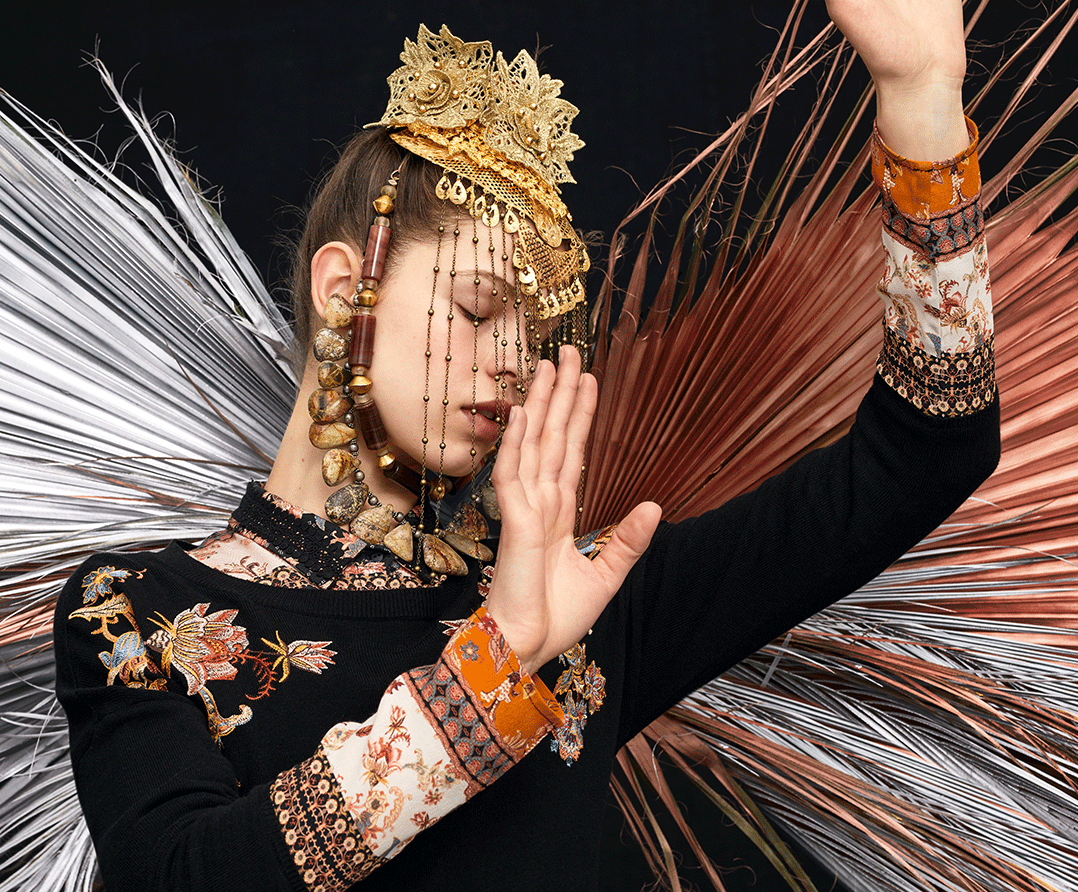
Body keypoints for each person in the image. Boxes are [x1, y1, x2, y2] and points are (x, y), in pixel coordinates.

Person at [52, 1, 1000, 889]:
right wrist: (496, 654)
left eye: (535, 337)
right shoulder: (133, 609)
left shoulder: (584, 600)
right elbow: (178, 874)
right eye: (477, 310)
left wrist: (922, 95)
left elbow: (925, 453)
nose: (512, 362)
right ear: (345, 291)